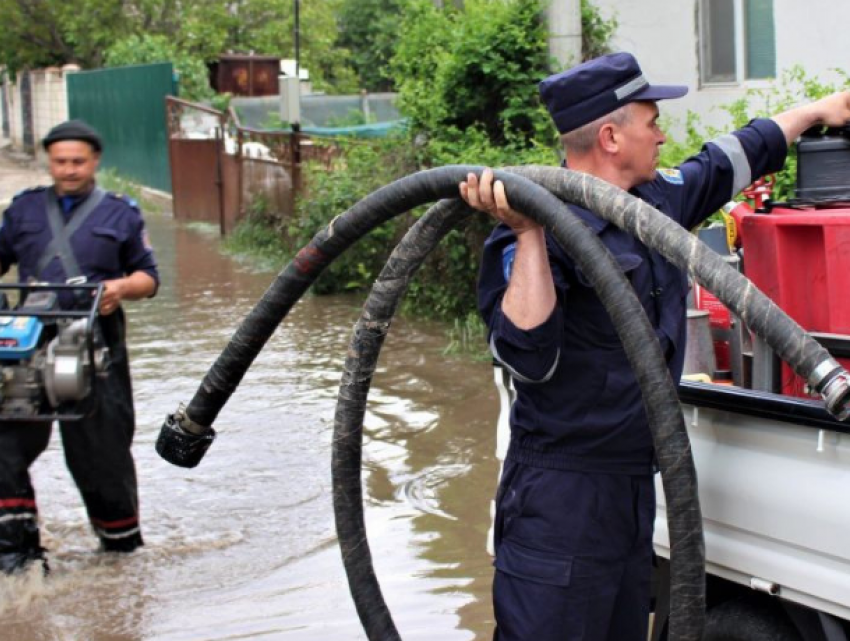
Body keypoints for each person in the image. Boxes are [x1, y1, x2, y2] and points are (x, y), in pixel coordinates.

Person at [460, 52, 850, 640]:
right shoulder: (537, 223)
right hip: (562, 495)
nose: (663, 133)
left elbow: (728, 160)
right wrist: (528, 231)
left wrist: (820, 110)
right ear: (612, 137)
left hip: (636, 484)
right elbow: (526, 354)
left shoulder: (655, 204)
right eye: (652, 120)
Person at [0, 119, 159, 575]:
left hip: (95, 347)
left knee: (101, 453)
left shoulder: (121, 213)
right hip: (26, 346)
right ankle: (18, 559)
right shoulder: (23, 211)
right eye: (60, 162)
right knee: (5, 442)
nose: (68, 170)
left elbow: (149, 278)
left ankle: (121, 560)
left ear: (94, 162)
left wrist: (120, 289)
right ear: (49, 162)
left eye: (77, 161)